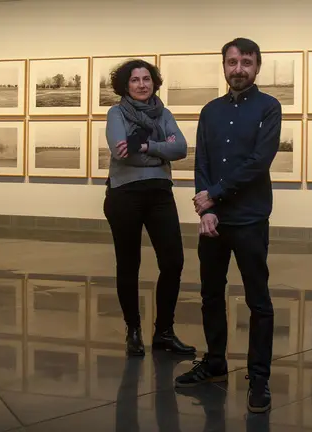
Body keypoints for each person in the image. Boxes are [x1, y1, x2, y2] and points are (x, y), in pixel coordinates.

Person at [173, 37, 281, 414]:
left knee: (258, 302)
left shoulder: (269, 107)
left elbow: (258, 162)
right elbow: (202, 161)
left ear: (257, 67)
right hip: (214, 222)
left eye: (246, 62)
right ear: (223, 65)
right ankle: (216, 363)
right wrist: (206, 210)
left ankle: (259, 378)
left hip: (250, 220)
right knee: (210, 295)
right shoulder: (210, 111)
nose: (239, 69)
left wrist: (214, 195)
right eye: (232, 62)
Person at [103, 59, 196, 357]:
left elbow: (180, 148)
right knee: (128, 264)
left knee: (173, 262)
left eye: (146, 79)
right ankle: (133, 331)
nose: (142, 85)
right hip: (124, 195)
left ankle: (164, 332)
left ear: (154, 82)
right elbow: (122, 151)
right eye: (135, 80)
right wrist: (160, 151)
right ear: (125, 85)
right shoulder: (116, 113)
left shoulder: (164, 113)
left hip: (159, 195)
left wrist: (144, 146)